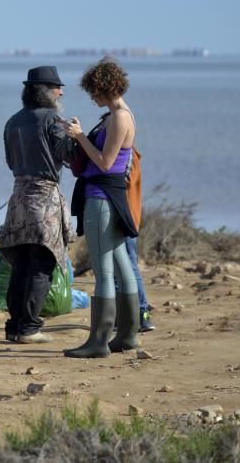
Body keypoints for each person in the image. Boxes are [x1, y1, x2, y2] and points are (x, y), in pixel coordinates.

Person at [63, 57, 140, 358]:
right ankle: (127, 335)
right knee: (121, 265)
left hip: (102, 198)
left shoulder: (120, 117)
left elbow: (106, 163)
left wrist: (80, 136)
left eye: (93, 92)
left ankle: (98, 341)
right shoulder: (117, 114)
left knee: (104, 271)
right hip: (110, 197)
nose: (92, 98)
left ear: (105, 88)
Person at [0, 65, 77, 344]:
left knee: (20, 265)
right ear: (45, 91)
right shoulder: (52, 120)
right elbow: (68, 156)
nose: (61, 91)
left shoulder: (12, 121)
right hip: (43, 199)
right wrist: (76, 136)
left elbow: (10, 161)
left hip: (18, 197)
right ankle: (30, 328)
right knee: (41, 264)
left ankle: (13, 326)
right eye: (57, 87)